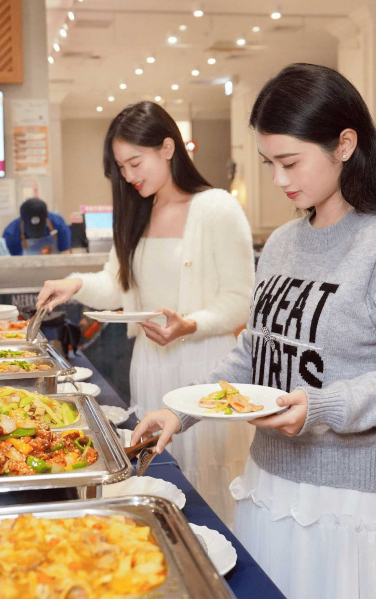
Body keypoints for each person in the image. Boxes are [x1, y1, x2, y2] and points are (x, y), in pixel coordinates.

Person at [132, 63, 376, 598]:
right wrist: (181, 409)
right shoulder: (284, 243)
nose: (279, 180)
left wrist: (322, 407)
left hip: (352, 503)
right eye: (270, 163)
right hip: (268, 481)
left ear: (345, 144)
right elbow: (254, 353)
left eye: (290, 162)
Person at [36, 101, 255, 526]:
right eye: (121, 167)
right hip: (151, 363)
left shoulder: (216, 208)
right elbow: (118, 283)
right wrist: (75, 285)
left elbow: (241, 299)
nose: (129, 176)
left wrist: (190, 324)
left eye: (135, 163)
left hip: (204, 367)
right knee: (160, 478)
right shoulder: (139, 209)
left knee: (209, 483)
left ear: (168, 148)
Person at [3, 197, 72, 255]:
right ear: (23, 219)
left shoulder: (59, 225)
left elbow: (66, 253)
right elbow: (12, 263)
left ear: (46, 217)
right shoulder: (11, 233)